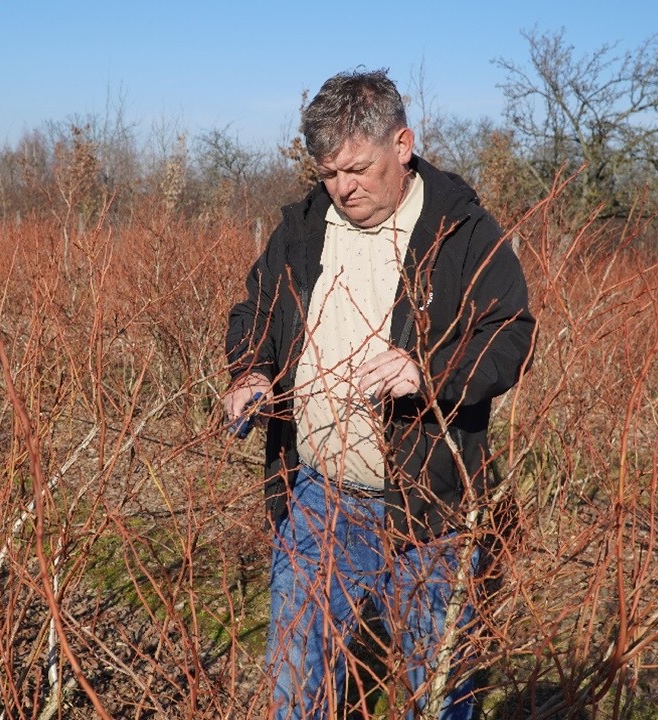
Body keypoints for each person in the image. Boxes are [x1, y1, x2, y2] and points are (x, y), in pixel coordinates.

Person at [223, 69, 536, 719]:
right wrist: (251, 370)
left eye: (358, 169)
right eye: (329, 172)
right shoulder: (304, 227)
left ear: (402, 145)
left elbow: (510, 336)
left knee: (441, 690)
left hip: (431, 506)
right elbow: (257, 309)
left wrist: (427, 371)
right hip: (316, 496)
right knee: (296, 689)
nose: (343, 188)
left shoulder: (463, 233)